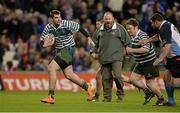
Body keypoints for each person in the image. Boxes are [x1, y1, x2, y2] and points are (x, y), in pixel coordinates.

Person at [40, 10, 95, 104]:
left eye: (59, 17)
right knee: (69, 75)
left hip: (68, 49)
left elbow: (80, 28)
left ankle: (51, 96)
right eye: (56, 17)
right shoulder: (48, 27)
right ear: (52, 19)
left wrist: (88, 37)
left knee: (51, 68)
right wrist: (44, 45)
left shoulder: (66, 23)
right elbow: (42, 40)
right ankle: (87, 87)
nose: (59, 19)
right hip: (59, 51)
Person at [139, 13, 180, 106]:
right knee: (166, 78)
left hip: (177, 56)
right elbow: (157, 37)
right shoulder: (165, 26)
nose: (152, 25)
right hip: (172, 56)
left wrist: (160, 59)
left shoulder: (164, 28)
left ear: (156, 22)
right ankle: (171, 101)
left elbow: (168, 46)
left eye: (152, 23)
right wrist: (147, 40)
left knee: (175, 83)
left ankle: (171, 100)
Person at [125, 18, 166, 105]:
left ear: (136, 27)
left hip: (149, 62)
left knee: (150, 83)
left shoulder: (142, 35)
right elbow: (133, 49)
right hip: (140, 62)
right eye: (127, 29)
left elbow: (145, 50)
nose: (128, 30)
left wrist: (131, 50)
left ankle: (161, 99)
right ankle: (148, 93)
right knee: (133, 79)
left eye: (130, 28)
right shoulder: (132, 37)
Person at [92, 12, 131, 102]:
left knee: (117, 76)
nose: (108, 21)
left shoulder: (120, 28)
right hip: (104, 58)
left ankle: (120, 94)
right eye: (106, 19)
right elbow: (94, 43)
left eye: (109, 19)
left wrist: (127, 53)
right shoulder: (99, 30)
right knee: (105, 78)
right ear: (103, 20)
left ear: (113, 19)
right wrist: (92, 52)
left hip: (117, 57)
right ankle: (107, 97)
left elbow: (128, 41)